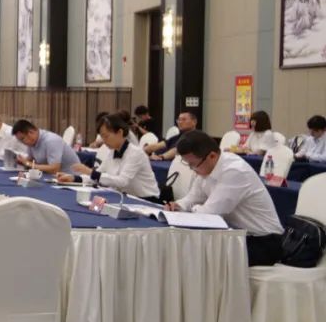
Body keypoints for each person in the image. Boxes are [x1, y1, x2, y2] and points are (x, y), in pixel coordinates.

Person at [168, 131, 284, 266]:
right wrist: (178, 206)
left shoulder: (234, 171)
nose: (191, 169)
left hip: (263, 242)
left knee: (198, 255)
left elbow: (209, 215)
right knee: (187, 248)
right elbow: (193, 198)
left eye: (193, 164)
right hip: (237, 235)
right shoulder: (206, 167)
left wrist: (192, 209)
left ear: (212, 156)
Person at [57, 114, 160, 200]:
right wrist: (74, 178)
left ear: (119, 133)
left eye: (106, 136)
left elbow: (122, 181)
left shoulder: (136, 153)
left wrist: (90, 172)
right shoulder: (112, 152)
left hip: (146, 200)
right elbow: (97, 176)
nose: (104, 141)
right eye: (102, 137)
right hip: (127, 197)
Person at [11, 119, 81, 175]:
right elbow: (30, 161)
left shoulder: (51, 140)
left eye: (22, 139)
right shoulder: (32, 143)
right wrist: (21, 161)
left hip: (72, 179)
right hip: (52, 178)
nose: (22, 143)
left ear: (30, 132)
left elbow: (54, 169)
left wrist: (28, 163)